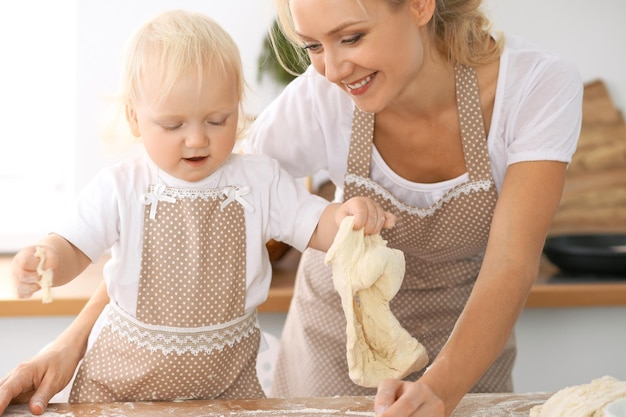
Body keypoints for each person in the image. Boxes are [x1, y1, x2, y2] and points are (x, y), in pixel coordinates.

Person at [0, 0, 583, 416]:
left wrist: (441, 388)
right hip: (331, 356)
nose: (330, 69)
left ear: (420, 4)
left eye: (350, 37)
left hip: (466, 352)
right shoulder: (323, 98)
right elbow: (186, 216)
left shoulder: (534, 89)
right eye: (311, 47)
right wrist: (68, 345)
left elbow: (511, 264)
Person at [0, 8, 395, 411]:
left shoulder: (259, 180)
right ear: (135, 117)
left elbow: (314, 225)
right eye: (174, 126)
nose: (196, 140)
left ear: (236, 108)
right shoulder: (121, 186)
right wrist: (47, 258)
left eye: (217, 120)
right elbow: (73, 246)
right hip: (121, 384)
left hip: (226, 385)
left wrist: (348, 217)